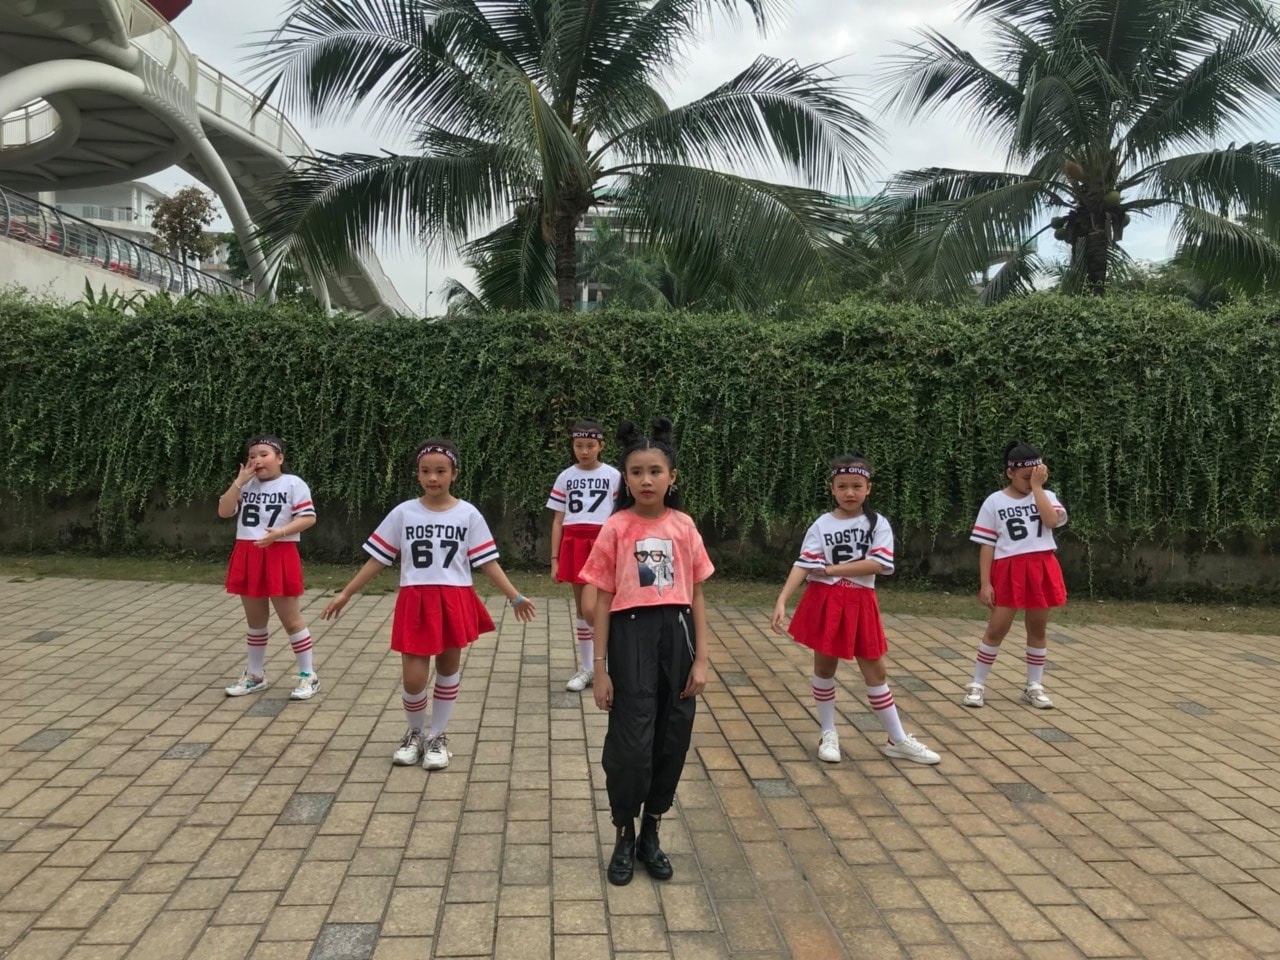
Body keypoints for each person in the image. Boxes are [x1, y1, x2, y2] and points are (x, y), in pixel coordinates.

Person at [321, 439, 536, 769]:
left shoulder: (468, 514)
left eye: (440, 471)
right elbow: (378, 559)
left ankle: (437, 736)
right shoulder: (403, 512)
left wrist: (515, 596)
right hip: (416, 599)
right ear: (417, 474)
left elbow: (487, 562)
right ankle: (415, 733)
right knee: (413, 679)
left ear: (454, 474)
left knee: (448, 669)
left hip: (454, 598)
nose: (432, 478)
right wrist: (346, 593)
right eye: (425, 471)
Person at [580, 418, 712, 886]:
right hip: (629, 637)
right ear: (626, 478)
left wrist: (701, 658)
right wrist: (599, 668)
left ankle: (651, 832)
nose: (646, 480)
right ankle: (624, 832)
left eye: (655, 471)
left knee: (671, 739)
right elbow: (599, 601)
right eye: (636, 472)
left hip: (677, 636)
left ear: (672, 477)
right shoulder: (616, 527)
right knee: (631, 746)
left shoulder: (684, 526)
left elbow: (697, 592)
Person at [772, 452, 941, 766]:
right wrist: (782, 600)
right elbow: (804, 564)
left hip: (860, 602)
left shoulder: (878, 524)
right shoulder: (821, 524)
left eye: (856, 486)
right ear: (832, 489)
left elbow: (878, 564)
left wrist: (832, 569)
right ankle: (828, 733)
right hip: (825, 600)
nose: (849, 492)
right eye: (842, 486)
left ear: (868, 488)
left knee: (876, 672)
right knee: (824, 669)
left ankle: (897, 739)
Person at [964, 439, 1067, 709]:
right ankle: (977, 683)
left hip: (1041, 567)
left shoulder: (1046, 496)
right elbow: (987, 545)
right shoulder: (994, 501)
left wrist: (1037, 488)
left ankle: (1034, 685)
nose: (1030, 482)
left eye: (1036, 476)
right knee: (996, 628)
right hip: (1008, 570)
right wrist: (986, 583)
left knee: (1037, 628)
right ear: (1010, 472)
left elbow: (1051, 521)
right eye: (1025, 477)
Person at [218, 434, 320, 701]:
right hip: (248, 553)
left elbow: (308, 517)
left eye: (264, 454)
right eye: (252, 456)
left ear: (280, 458)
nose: (257, 460)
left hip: (279, 553)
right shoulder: (245, 485)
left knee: (291, 620)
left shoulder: (293, 483)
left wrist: (281, 532)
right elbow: (224, 511)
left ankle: (309, 675)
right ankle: (255, 675)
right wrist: (238, 482)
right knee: (255, 622)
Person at [547, 420, 622, 691]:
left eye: (591, 445)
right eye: (579, 445)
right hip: (574, 542)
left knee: (592, 608)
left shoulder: (614, 475)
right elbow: (558, 520)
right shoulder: (565, 476)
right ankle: (588, 668)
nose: (585, 451)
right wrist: (554, 559)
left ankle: (608, 660)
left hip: (602, 543)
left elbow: (621, 515)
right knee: (581, 609)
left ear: (602, 446)